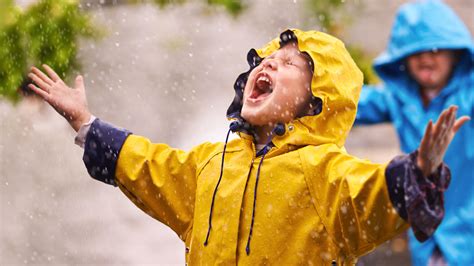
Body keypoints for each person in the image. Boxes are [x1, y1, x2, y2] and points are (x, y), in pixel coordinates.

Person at [28, 29, 468, 264]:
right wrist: (86, 124)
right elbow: (148, 164)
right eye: (268, 59)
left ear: (318, 102)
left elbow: (372, 194)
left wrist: (420, 172)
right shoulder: (211, 164)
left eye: (292, 63)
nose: (271, 61)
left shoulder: (324, 173)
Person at [355, 1, 474, 265]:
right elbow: (351, 104)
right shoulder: (398, 98)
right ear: (402, 58)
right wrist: (303, 98)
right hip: (425, 229)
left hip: (468, 224)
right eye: (415, 51)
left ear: (455, 54)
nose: (426, 57)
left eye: (436, 49)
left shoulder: (469, 93)